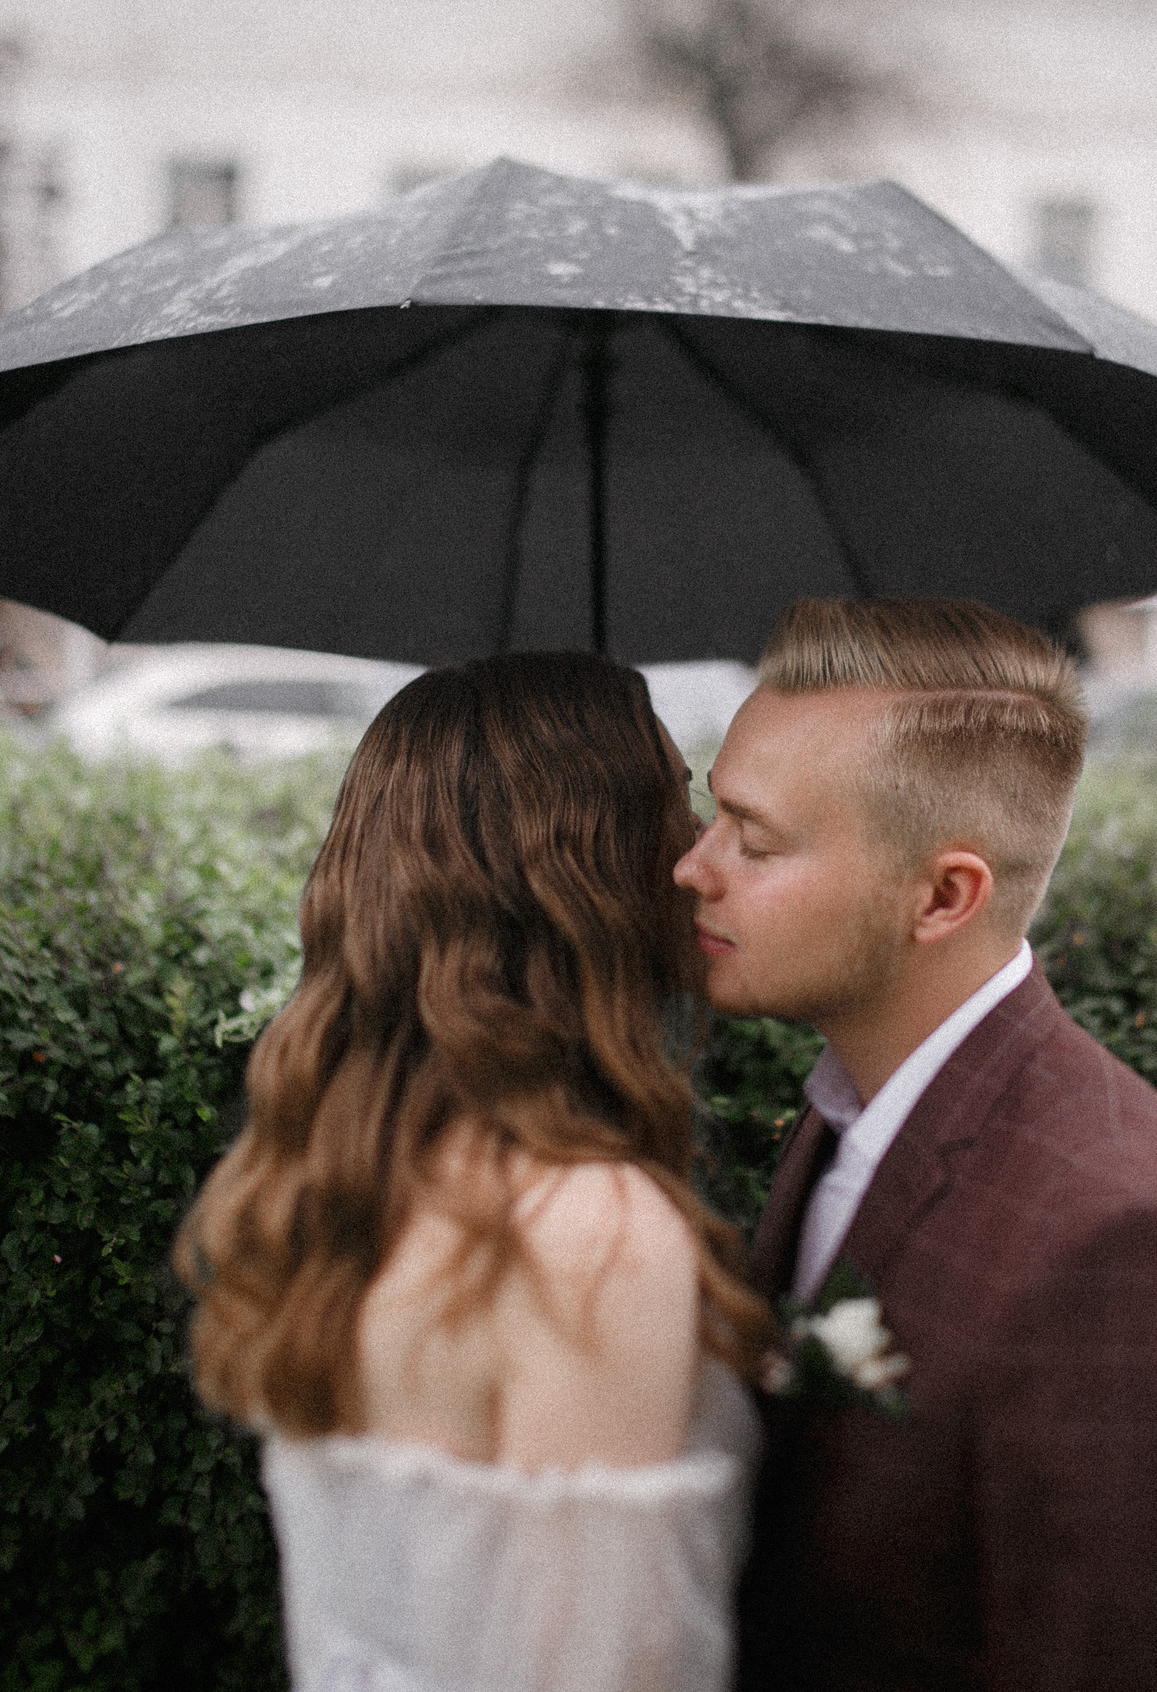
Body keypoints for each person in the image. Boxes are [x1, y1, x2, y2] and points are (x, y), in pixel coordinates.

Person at [675, 597, 1157, 1692]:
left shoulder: (1125, 1243)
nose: (694, 865)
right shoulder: (846, 1114)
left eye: (753, 838)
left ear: (943, 896)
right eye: (710, 815)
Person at [172, 652, 775, 1692]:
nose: (695, 857)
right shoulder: (584, 1228)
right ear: (583, 871)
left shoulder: (349, 1175)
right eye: (673, 804)